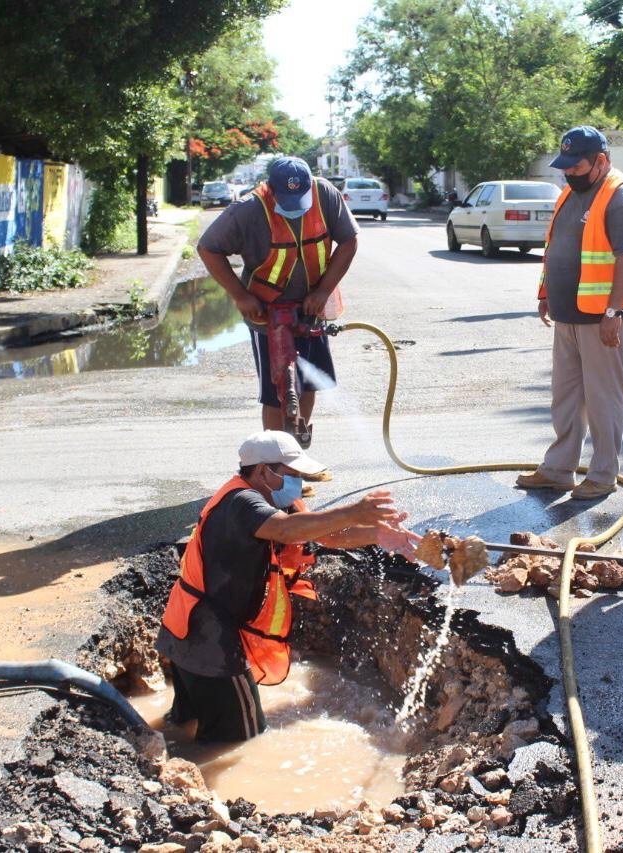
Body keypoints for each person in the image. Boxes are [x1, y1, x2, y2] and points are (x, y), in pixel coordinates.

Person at [155, 430, 419, 742]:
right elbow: (286, 531)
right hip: (208, 638)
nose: (297, 481)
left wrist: (378, 534)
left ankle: (164, 755)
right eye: (291, 473)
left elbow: (327, 535)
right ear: (264, 471)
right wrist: (354, 510)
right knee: (242, 739)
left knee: (186, 722)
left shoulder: (276, 499)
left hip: (188, 627)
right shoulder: (241, 501)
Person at [515, 126, 623, 501]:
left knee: (604, 399)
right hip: (568, 313)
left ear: (602, 161)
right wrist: (546, 293)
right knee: (566, 397)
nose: (568, 173)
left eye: (576, 166)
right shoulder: (569, 194)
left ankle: (603, 474)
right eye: (565, 167)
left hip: (602, 319)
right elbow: (557, 246)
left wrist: (614, 311)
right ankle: (558, 470)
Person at [197, 156, 358, 467]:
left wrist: (323, 290)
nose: (296, 207)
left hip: (311, 308)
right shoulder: (247, 209)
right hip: (267, 313)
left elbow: (350, 240)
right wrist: (240, 295)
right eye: (287, 200)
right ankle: (275, 465)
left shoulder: (326, 196)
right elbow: (208, 248)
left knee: (308, 381)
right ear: (270, 189)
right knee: (277, 390)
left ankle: (297, 456)